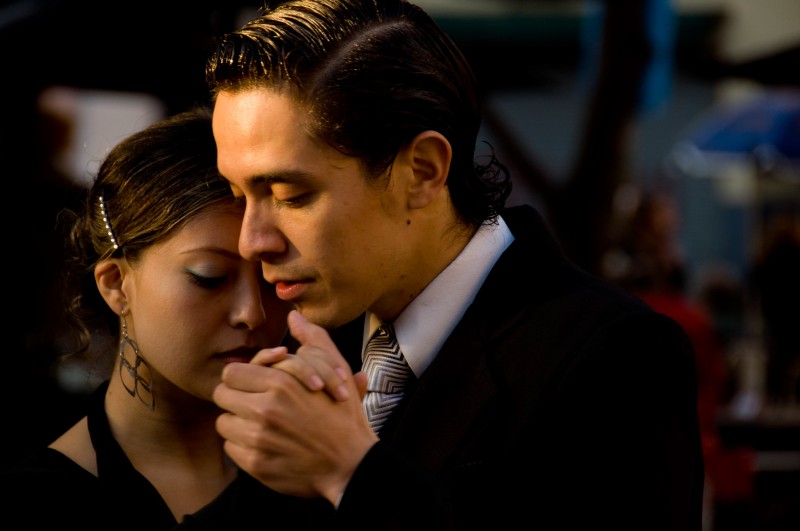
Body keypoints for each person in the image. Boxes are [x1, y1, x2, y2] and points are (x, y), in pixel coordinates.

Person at [202, 1, 705, 529]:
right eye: (238, 196)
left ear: (422, 171)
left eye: (290, 194)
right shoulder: (318, 343)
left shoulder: (616, 355)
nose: (250, 241)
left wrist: (352, 472)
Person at [0, 107, 296, 529]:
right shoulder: (37, 505)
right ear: (117, 284)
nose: (252, 313)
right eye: (210, 278)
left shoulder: (315, 468)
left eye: (272, 278)